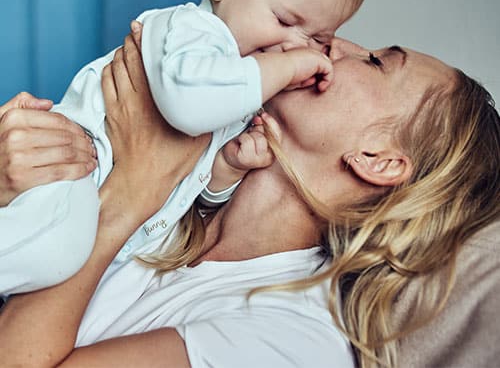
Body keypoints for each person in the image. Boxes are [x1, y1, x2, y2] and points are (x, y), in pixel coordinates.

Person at [1, 32, 498, 368]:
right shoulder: (177, 184)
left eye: (376, 62)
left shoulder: (292, 343)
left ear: (378, 160)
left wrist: (131, 193)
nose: (334, 42)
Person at [0, 0, 372, 295]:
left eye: (319, 40)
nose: (295, 47)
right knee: (56, 251)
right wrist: (290, 65)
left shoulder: (243, 85)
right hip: (69, 167)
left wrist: (226, 171)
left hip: (104, 206)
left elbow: (189, 187)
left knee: (54, 261)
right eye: (286, 21)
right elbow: (189, 107)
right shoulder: (191, 31)